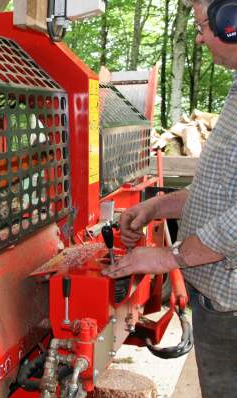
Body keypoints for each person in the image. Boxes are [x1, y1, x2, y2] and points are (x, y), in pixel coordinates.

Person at [101, 0, 237, 396]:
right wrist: (158, 205)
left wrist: (168, 256)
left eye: (203, 26)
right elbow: (222, 189)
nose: (198, 37)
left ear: (232, 23)